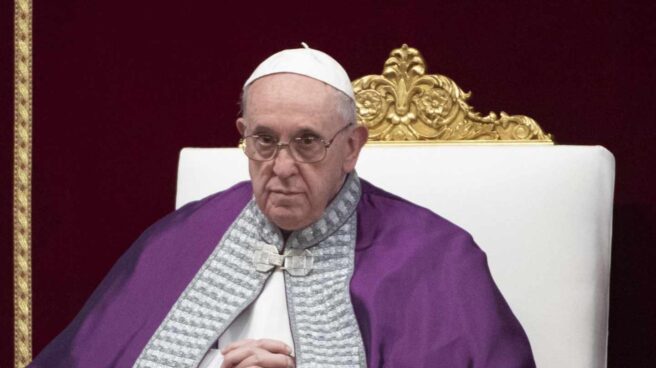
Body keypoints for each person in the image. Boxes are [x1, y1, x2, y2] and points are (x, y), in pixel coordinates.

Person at [30, 45, 535, 368]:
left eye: (308, 142)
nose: (283, 166)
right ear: (242, 138)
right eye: (264, 141)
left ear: (353, 147)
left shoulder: (438, 258)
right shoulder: (178, 240)